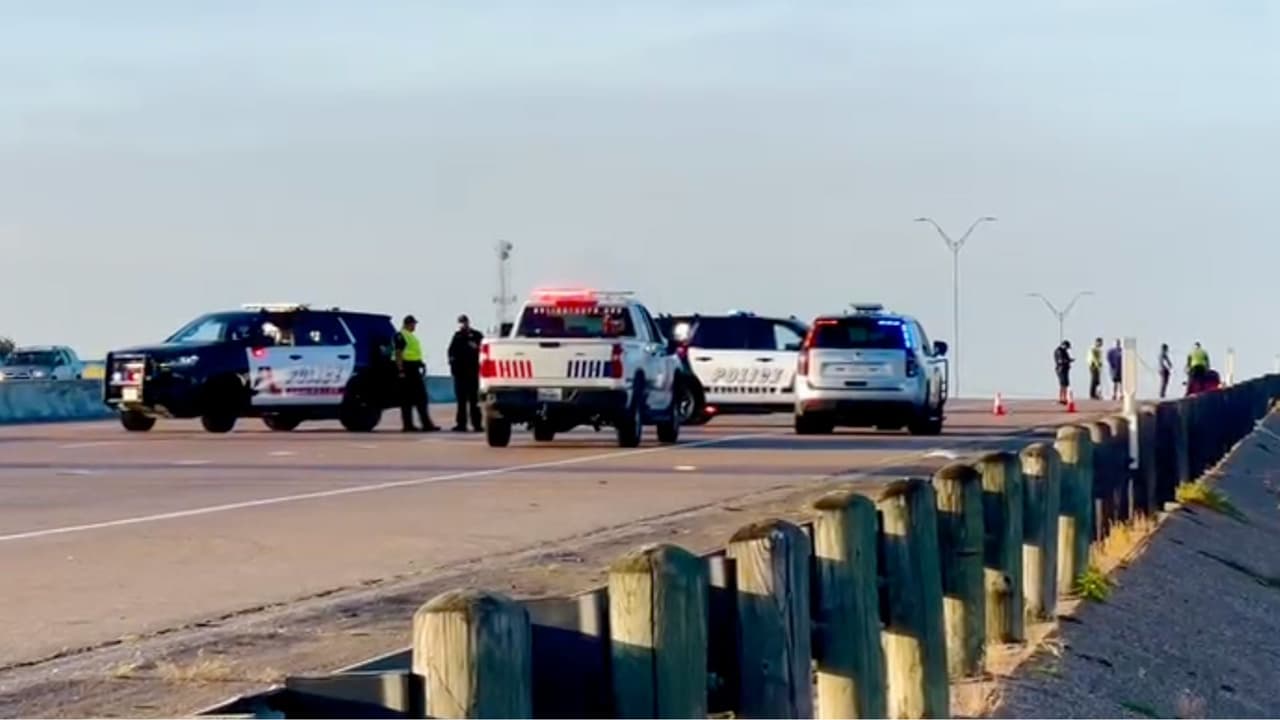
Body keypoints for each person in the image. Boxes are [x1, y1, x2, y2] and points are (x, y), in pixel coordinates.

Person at [394, 315, 440, 432]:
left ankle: (422, 424)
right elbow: (398, 353)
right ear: (408, 324)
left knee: (418, 398)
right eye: (413, 324)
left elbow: (412, 352)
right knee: (411, 399)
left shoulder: (410, 336)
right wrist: (401, 370)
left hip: (413, 368)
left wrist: (420, 363)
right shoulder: (401, 335)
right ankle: (410, 425)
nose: (414, 326)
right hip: (407, 369)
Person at [448, 314, 484, 432]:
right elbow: (451, 352)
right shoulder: (457, 336)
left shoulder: (477, 335)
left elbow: (485, 351)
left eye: (464, 322)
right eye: (460, 322)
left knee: (474, 401)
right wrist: (453, 368)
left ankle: (477, 424)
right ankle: (461, 424)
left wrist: (476, 347)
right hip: (460, 374)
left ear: (468, 322)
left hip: (473, 373)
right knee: (461, 401)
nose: (462, 324)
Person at [1054, 340, 1073, 404]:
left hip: (1065, 369)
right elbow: (1060, 360)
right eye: (1067, 347)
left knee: (1065, 385)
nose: (1067, 348)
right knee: (1062, 384)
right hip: (1061, 369)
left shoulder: (1064, 351)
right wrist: (1068, 361)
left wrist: (1069, 360)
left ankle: (1065, 398)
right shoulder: (1059, 351)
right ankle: (1061, 398)